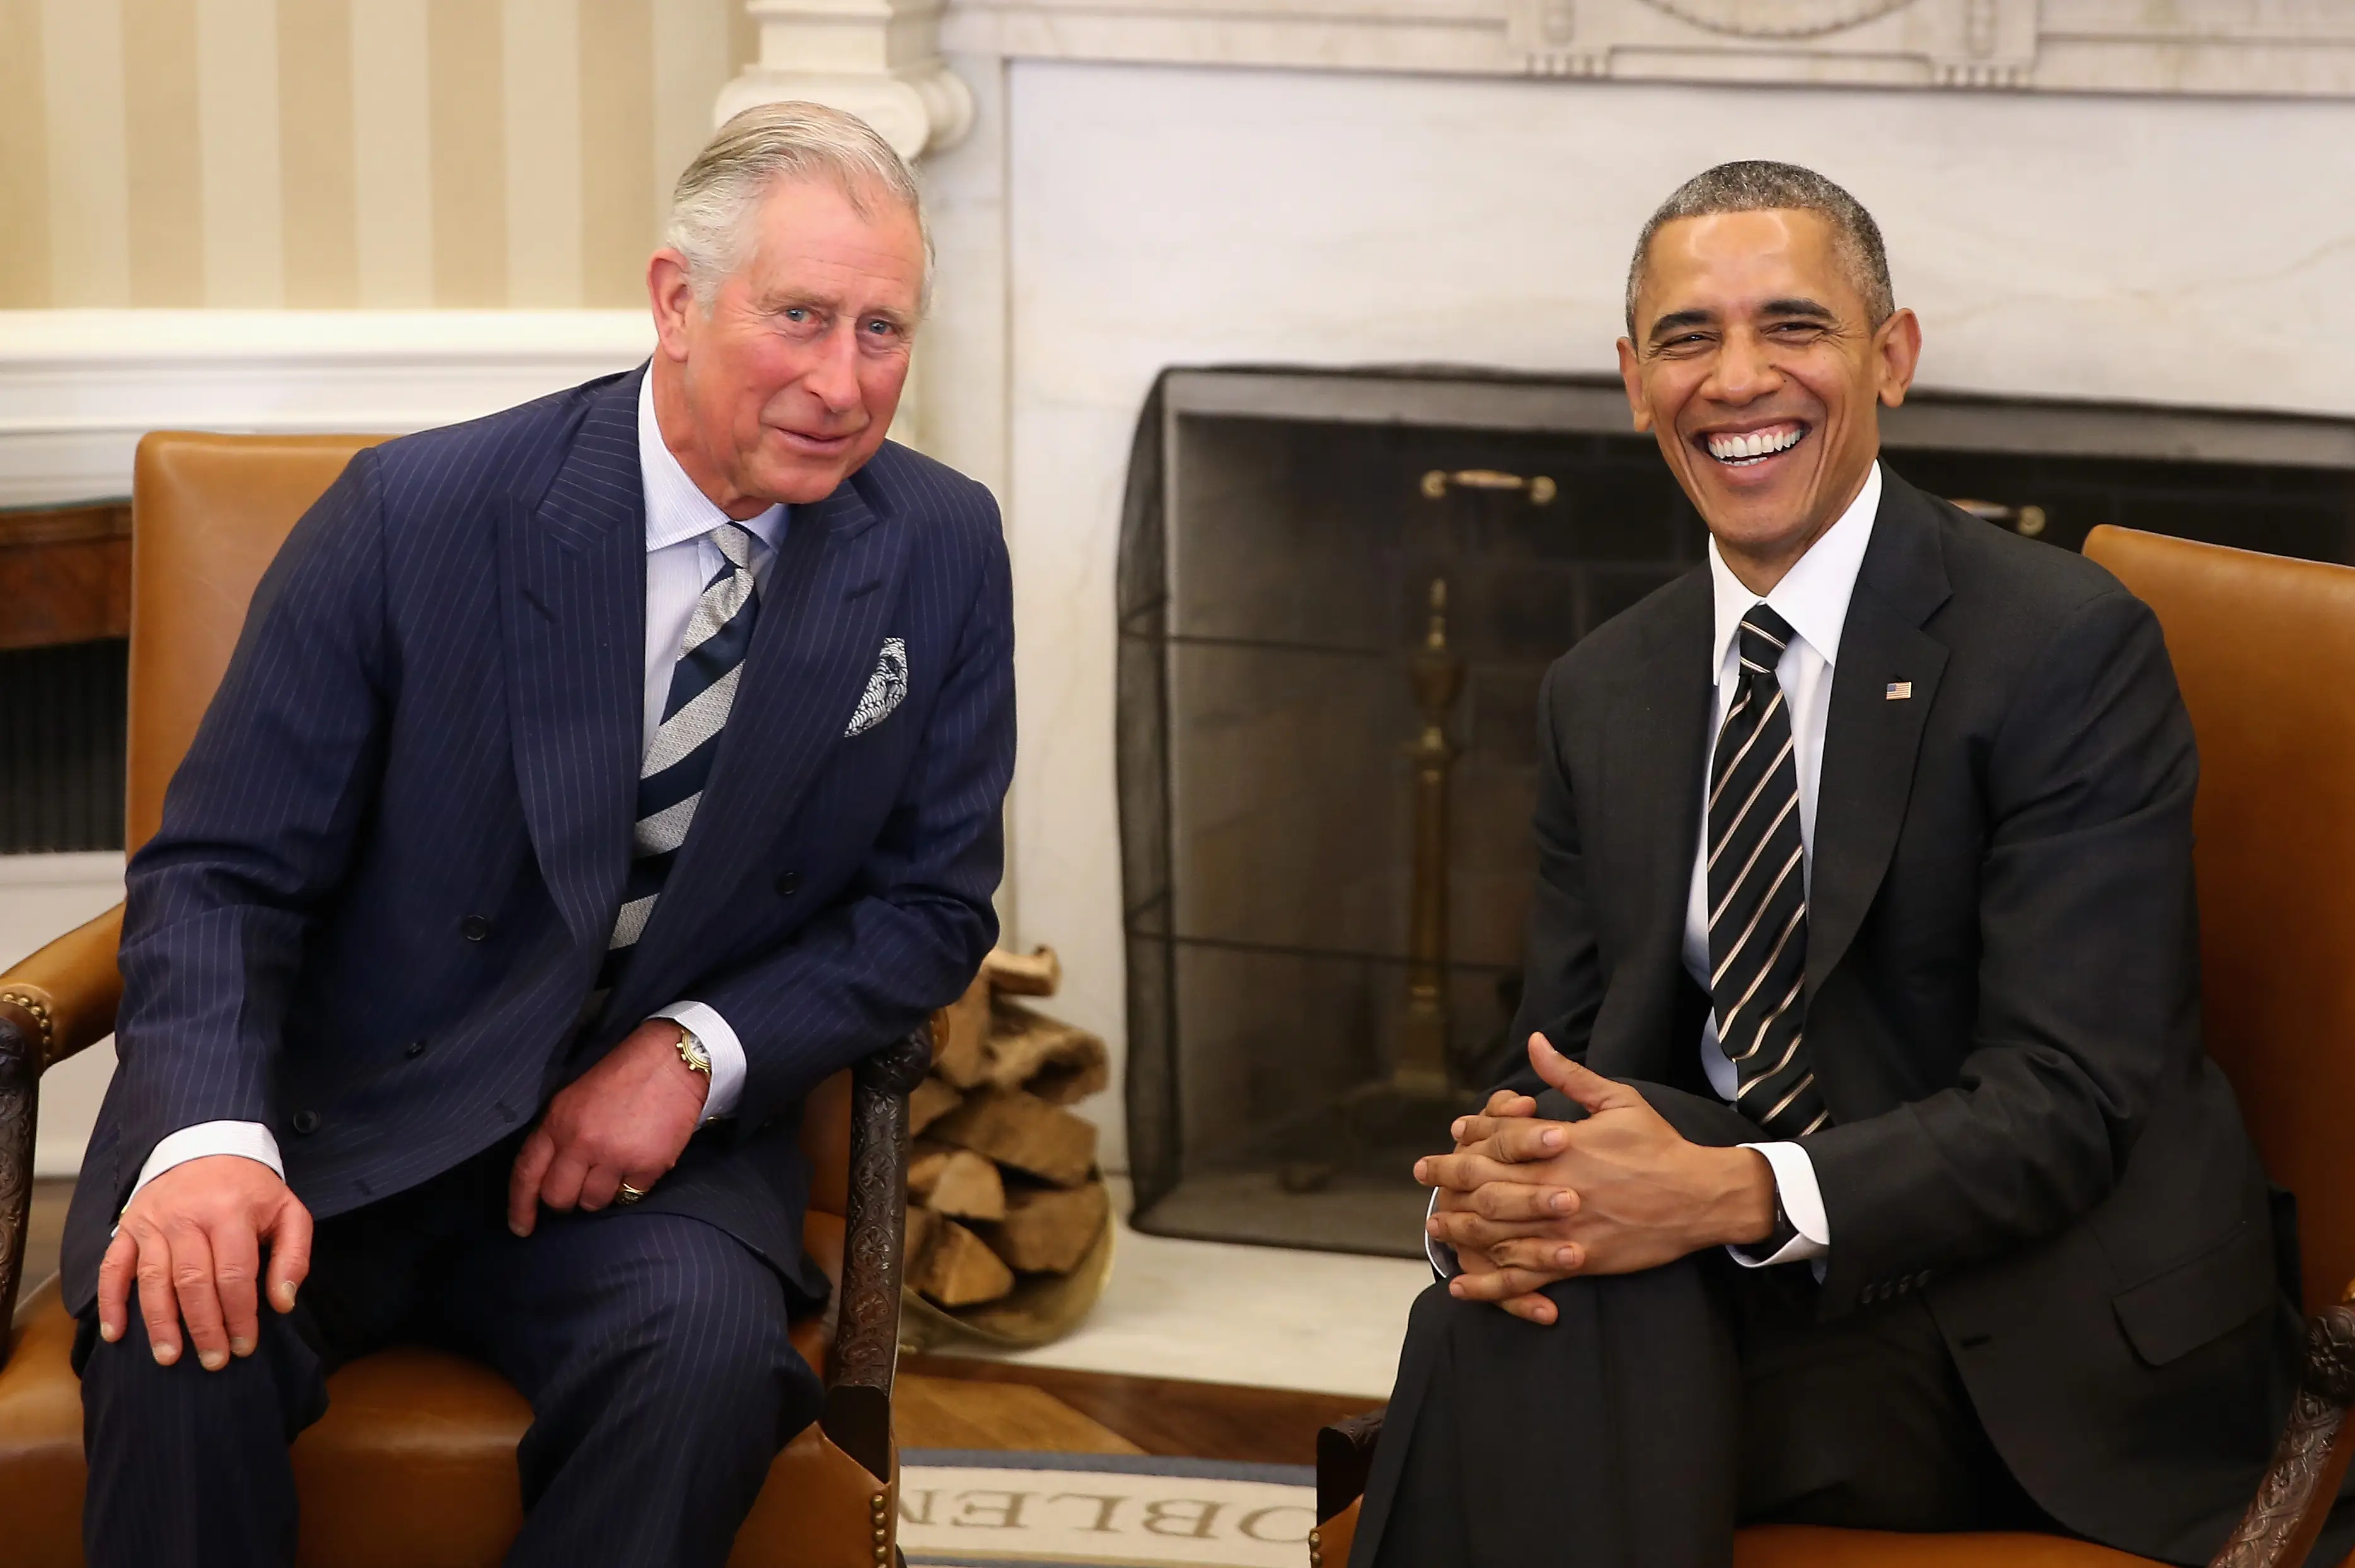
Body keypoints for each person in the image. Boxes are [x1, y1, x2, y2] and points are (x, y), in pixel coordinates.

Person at [62, 101, 1013, 1568]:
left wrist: (696, 1050)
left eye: (881, 331)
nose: (842, 382)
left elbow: (930, 907)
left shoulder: (938, 548)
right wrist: (203, 1138)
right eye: (800, 316)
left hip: (638, 1173)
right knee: (182, 1315)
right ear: (675, 300)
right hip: (333, 1114)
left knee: (701, 1361)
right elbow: (221, 875)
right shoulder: (416, 514)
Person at [1355, 161, 2345, 1567]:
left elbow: (2071, 1097)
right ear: (1634, 382)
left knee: (1534, 1349)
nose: (1736, 378)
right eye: (1688, 339)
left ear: (1891, 357)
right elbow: (1566, 1054)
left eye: (1793, 327)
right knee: (1532, 1294)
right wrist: (1496, 1197)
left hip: (2027, 1314)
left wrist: (1728, 1191)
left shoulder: (2062, 646)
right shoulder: (1601, 688)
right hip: (1737, 1284)